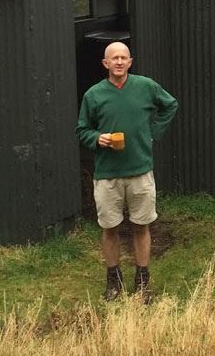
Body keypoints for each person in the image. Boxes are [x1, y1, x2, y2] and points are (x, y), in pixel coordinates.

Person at [76, 42, 178, 302]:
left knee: (141, 226)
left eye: (123, 58)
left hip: (140, 171)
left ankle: (143, 281)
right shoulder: (94, 95)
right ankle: (114, 280)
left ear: (130, 62)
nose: (119, 62)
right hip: (107, 174)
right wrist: (97, 138)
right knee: (110, 228)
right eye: (114, 58)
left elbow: (170, 105)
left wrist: (152, 134)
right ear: (105, 64)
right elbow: (82, 130)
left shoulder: (145, 87)